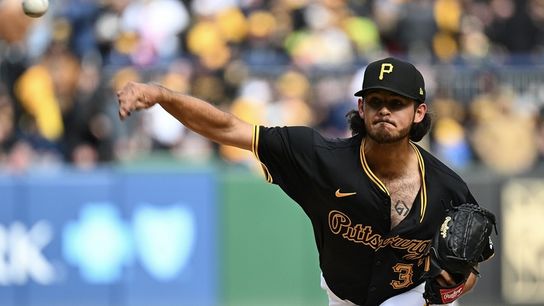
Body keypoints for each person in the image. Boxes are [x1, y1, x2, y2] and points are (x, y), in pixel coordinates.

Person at [117, 57, 480, 306]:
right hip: (344, 296)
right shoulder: (318, 156)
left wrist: (453, 286)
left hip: (414, 296)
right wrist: (162, 95)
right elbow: (228, 127)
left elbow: (470, 270)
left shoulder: (447, 187)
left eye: (397, 102)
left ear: (418, 113)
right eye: (376, 100)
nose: (385, 109)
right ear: (360, 109)